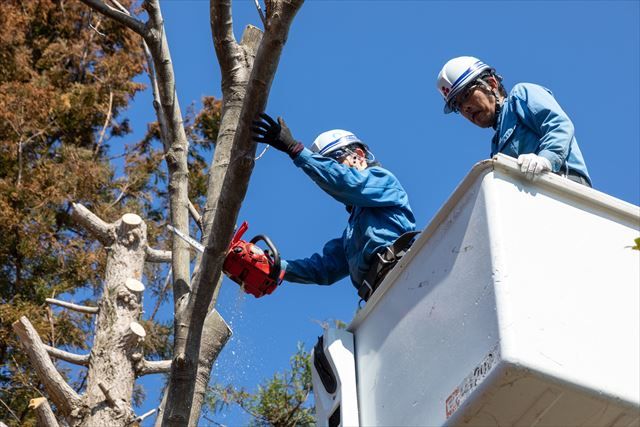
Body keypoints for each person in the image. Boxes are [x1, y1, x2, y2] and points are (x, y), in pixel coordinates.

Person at [252, 113, 417, 301]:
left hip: (403, 274)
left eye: (335, 164)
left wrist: (296, 149)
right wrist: (276, 266)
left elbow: (345, 182)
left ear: (359, 155)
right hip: (378, 294)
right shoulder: (352, 236)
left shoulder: (383, 180)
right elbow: (324, 269)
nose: (331, 171)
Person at [436, 56, 591, 186]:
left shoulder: (521, 95)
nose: (465, 108)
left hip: (567, 188)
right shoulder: (496, 145)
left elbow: (559, 125)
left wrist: (546, 159)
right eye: (458, 105)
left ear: (491, 84)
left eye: (466, 95)